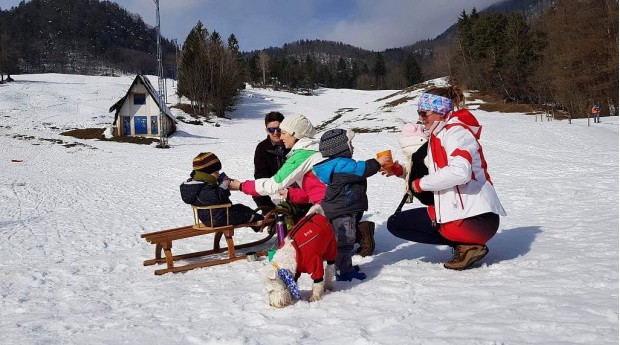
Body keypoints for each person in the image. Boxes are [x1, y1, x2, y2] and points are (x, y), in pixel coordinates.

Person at [386, 86, 506, 270]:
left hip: (473, 218)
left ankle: (467, 244)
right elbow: (434, 174)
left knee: (397, 223)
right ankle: (466, 244)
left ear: (441, 112)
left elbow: (459, 172)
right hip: (472, 215)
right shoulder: (441, 134)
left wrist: (421, 184)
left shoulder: (455, 132)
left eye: (424, 113)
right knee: (397, 223)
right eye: (419, 113)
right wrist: (402, 172)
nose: (420, 119)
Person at [313, 128, 390, 281]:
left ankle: (341, 266)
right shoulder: (343, 164)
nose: (353, 147)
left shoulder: (337, 164)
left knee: (342, 239)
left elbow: (358, 171)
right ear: (340, 148)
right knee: (345, 241)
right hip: (342, 211)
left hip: (339, 208)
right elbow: (362, 169)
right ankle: (344, 272)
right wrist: (378, 163)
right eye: (350, 144)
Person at [229, 114, 325, 223]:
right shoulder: (314, 149)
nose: (280, 135)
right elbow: (313, 189)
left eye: (283, 132)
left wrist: (241, 186)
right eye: (271, 129)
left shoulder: (302, 155)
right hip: (322, 202)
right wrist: (290, 194)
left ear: (294, 134)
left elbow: (273, 184)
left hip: (329, 207)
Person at [180, 152, 263, 228]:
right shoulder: (203, 188)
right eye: (216, 172)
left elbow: (211, 197)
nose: (218, 174)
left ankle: (258, 222)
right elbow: (218, 196)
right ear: (206, 174)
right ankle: (263, 221)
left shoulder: (198, 186)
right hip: (218, 218)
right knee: (244, 214)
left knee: (240, 208)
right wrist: (225, 184)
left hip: (213, 216)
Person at [252, 111, 290, 211]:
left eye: (278, 129)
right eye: (271, 129)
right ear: (267, 130)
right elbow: (260, 175)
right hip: (272, 186)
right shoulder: (262, 148)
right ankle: (272, 219)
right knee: (257, 193)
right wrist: (274, 187)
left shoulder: (292, 144)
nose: (275, 133)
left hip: (292, 185)